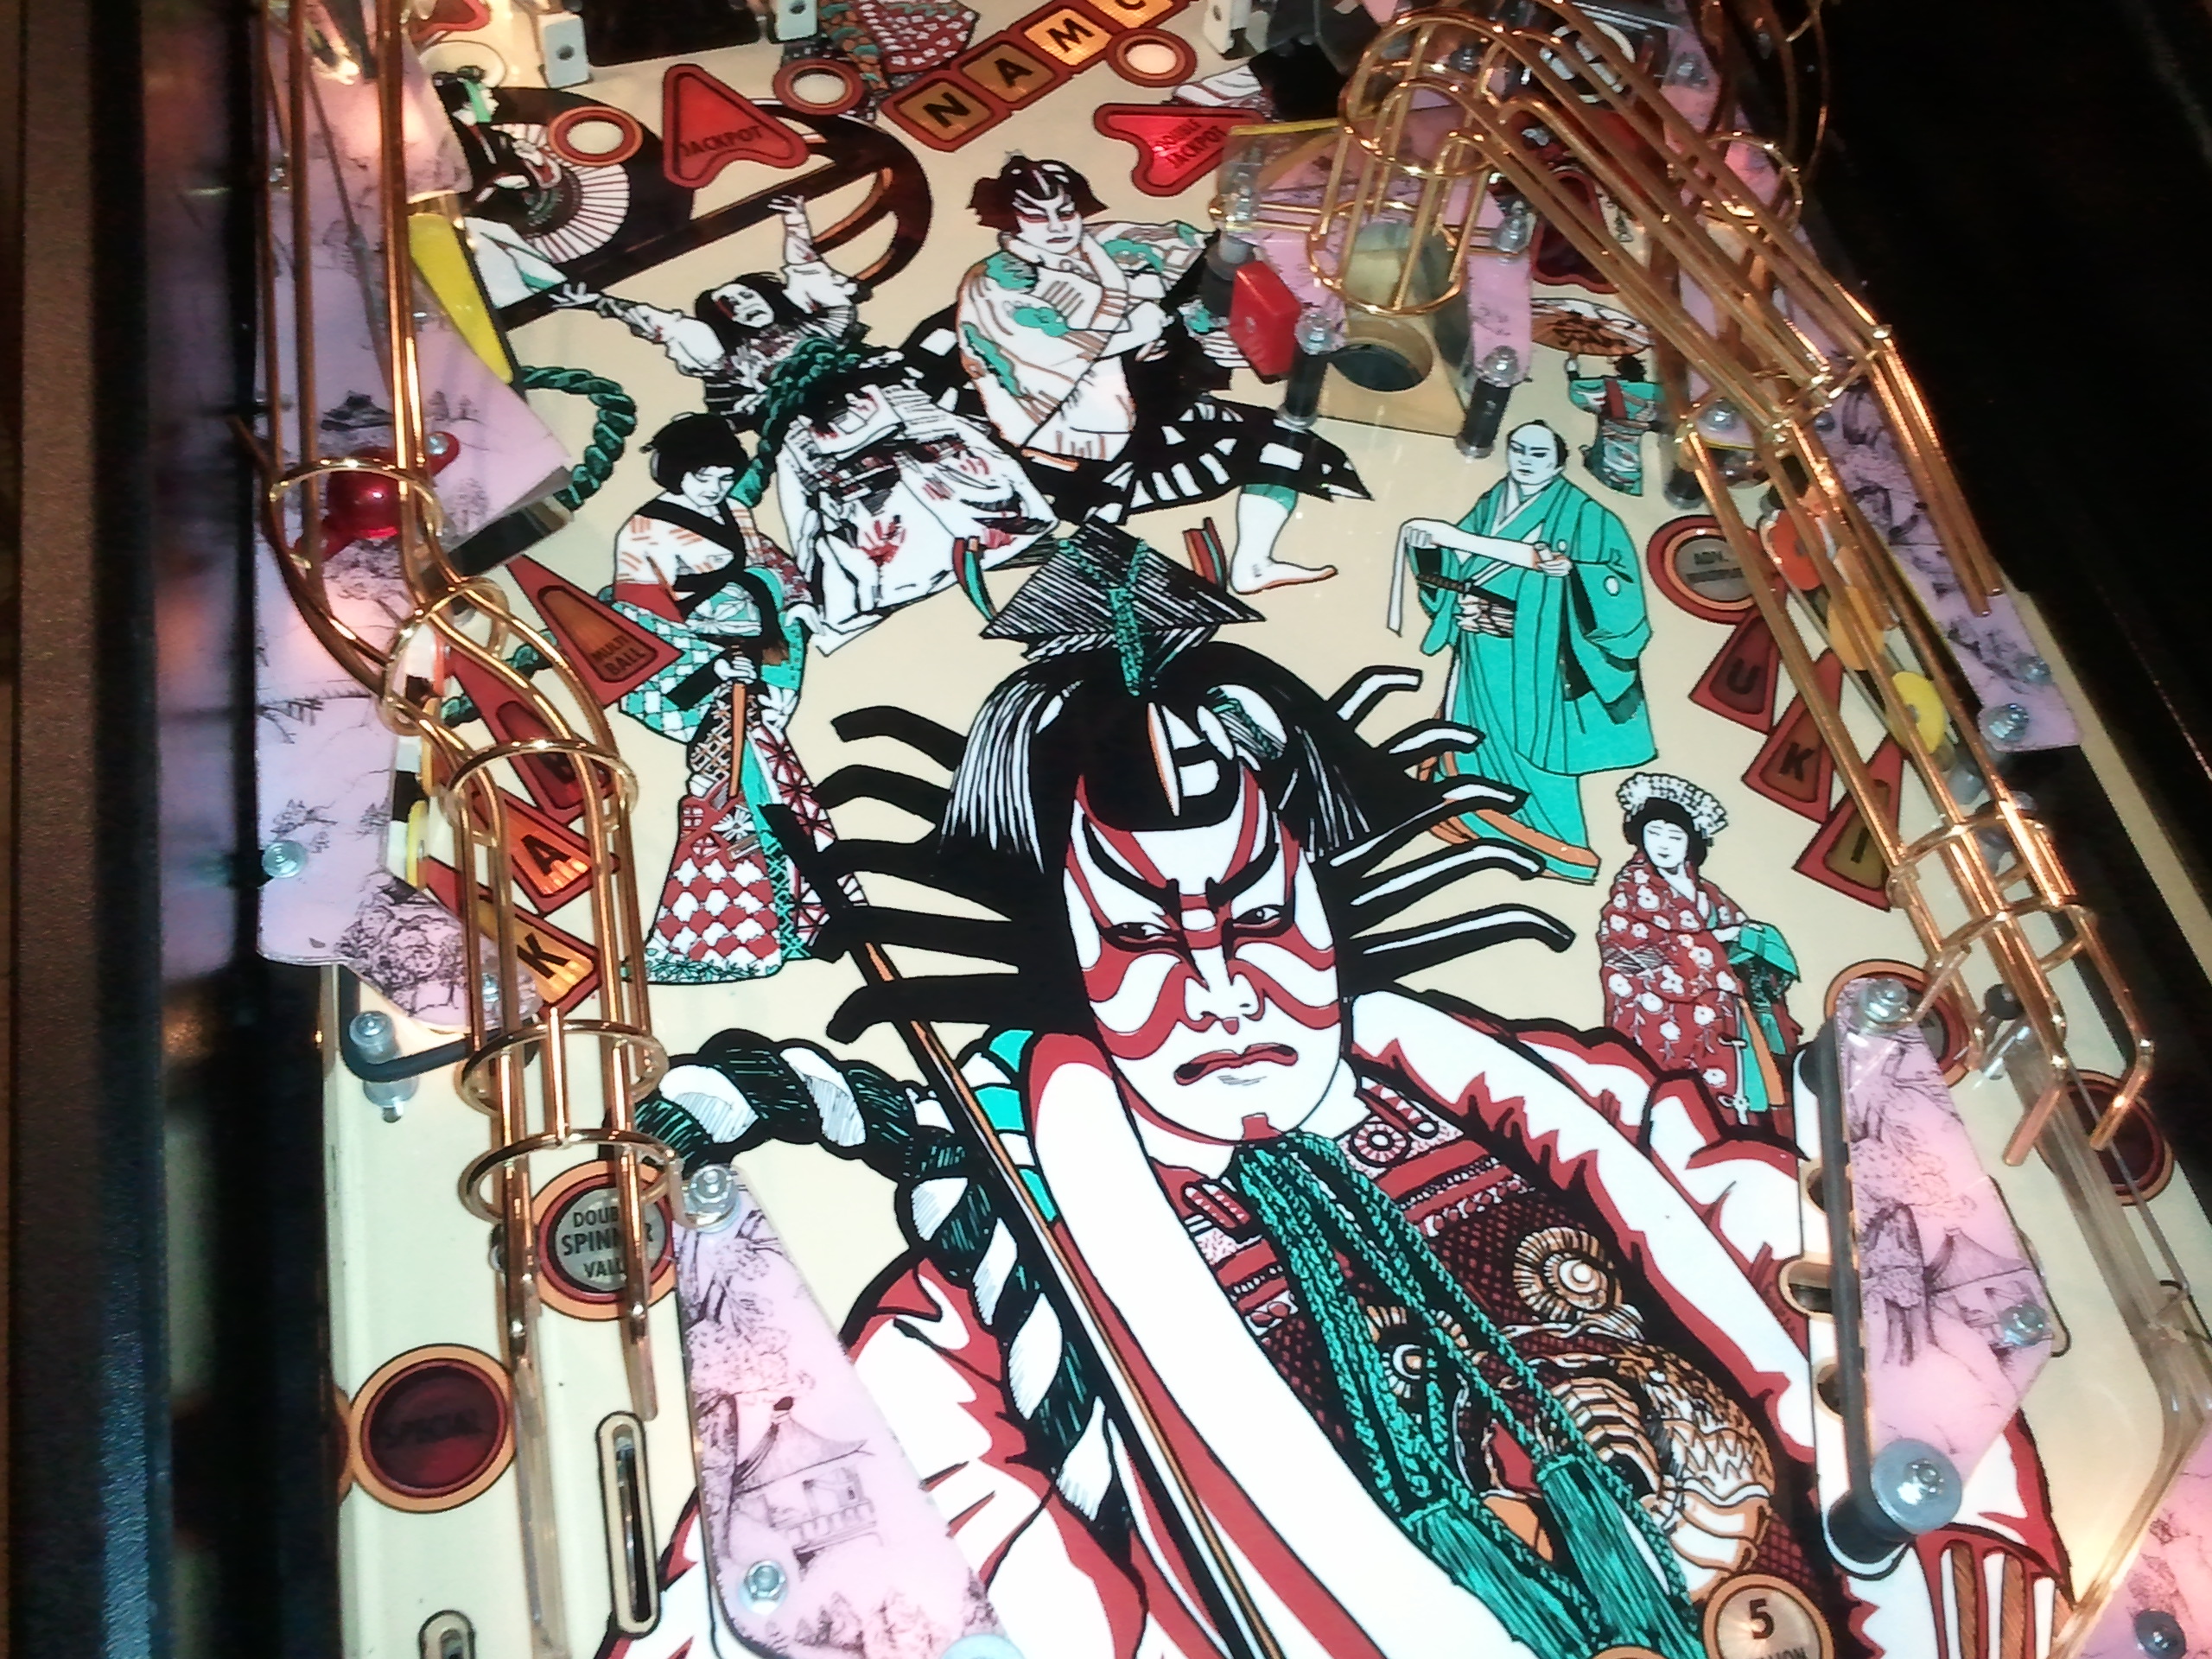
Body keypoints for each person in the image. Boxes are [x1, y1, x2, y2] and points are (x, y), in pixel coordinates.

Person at [635, 531, 2056, 1659]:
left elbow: (1906, 1318)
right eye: (1144, 938)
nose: (1224, 991)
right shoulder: (988, 1303)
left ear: (1326, 895)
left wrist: (1958, 1541)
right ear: (1057, 954)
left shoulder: (1564, 1098)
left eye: (1260, 916)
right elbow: (817, 1578)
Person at [551, 194, 1052, 646]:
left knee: (957, 463)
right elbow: (662, 326)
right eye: (730, 305)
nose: (742, 305)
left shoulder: (818, 324)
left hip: (890, 405)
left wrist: (796, 224)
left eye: (746, 295)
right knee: (862, 507)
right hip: (817, 434)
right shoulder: (731, 359)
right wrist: (600, 303)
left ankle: (1013, 537)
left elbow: (807, 270)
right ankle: (901, 580)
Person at [949, 156, 1367, 594]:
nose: (1057, 226)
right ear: (1010, 219)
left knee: (1282, 442)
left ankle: (1253, 565)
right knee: (1102, 514)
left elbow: (1208, 265)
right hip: (1074, 428)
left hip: (1162, 398)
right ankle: (1090, 586)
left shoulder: (1114, 242)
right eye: (1037, 216)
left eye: (1065, 211)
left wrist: (1218, 328)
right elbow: (1045, 355)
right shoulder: (995, 283)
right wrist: (1147, 328)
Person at [605, 414, 835, 982]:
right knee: (725, 800)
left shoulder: (735, 512)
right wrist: (712, 667)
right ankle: (712, 940)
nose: (715, 488)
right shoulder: (644, 532)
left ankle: (798, 924)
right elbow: (641, 621)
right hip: (704, 676)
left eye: (724, 477)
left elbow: (772, 565)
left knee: (777, 788)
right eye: (703, 477)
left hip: (762, 664)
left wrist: (797, 603)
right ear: (675, 471)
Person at [1392, 419, 1656, 881]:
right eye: (1518, 450)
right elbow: (1459, 565)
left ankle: (1560, 850)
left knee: (1534, 748)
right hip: (1481, 648)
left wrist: (1565, 577)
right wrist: (1430, 551)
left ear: (1559, 461)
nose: (1526, 461)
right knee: (1475, 735)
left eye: (1538, 454)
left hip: (1537, 656)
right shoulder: (1495, 501)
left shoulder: (1587, 515)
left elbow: (1617, 590)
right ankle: (1465, 818)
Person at [1599, 772, 1801, 1137]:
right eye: (1654, 833)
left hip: (1725, 1015)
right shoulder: (1631, 890)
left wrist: (1750, 946)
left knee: (1747, 1088)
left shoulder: (1710, 894)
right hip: (1665, 1014)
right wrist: (1712, 941)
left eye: (1674, 836)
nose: (1663, 845)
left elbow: (1738, 937)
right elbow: (1625, 950)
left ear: (1691, 842)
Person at [1564, 353, 1662, 495]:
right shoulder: (1656, 392)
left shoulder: (1610, 388)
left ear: (1619, 371)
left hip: (1615, 437)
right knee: (1622, 457)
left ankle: (1619, 476)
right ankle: (1624, 479)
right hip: (1627, 438)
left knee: (1615, 456)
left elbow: (1578, 391)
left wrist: (1572, 366)